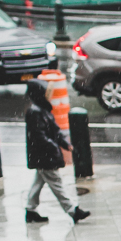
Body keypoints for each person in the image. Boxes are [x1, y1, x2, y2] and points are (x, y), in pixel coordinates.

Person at [25, 79, 89, 224]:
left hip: (43, 156)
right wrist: (54, 147)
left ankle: (30, 210)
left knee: (38, 182)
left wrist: (65, 144)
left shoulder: (42, 109)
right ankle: (73, 211)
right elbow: (40, 136)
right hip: (44, 156)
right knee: (57, 184)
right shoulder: (35, 112)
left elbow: (54, 131)